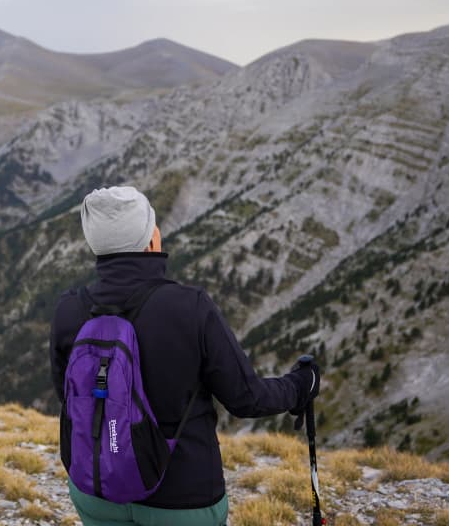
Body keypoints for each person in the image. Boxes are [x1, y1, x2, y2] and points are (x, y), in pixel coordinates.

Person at [50, 185, 320, 526]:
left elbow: (70, 396)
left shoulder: (69, 308)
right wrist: (300, 385)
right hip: (183, 501)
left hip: (96, 491)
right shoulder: (189, 307)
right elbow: (247, 399)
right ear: (150, 240)